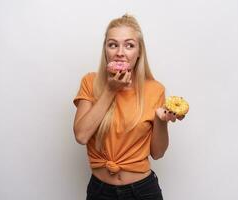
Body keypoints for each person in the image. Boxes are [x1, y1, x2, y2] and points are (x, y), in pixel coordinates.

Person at [73, 14, 185, 200]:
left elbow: (157, 153)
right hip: (100, 192)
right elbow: (81, 135)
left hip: (143, 191)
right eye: (113, 44)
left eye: (129, 45)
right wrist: (110, 90)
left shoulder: (155, 89)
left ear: (139, 52)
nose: (120, 52)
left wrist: (161, 121)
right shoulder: (90, 82)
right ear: (106, 50)